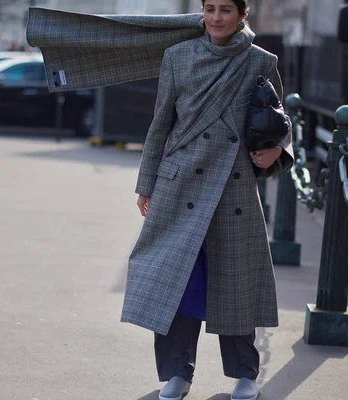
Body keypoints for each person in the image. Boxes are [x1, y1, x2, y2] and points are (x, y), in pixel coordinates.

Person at [122, 1, 294, 399]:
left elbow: (279, 120)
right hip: (179, 184)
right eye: (210, 8)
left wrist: (277, 151)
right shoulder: (177, 57)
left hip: (231, 186)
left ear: (241, 15)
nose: (217, 18)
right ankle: (177, 373)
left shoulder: (260, 62)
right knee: (177, 283)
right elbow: (160, 123)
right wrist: (146, 183)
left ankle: (245, 374)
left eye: (226, 10)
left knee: (235, 281)